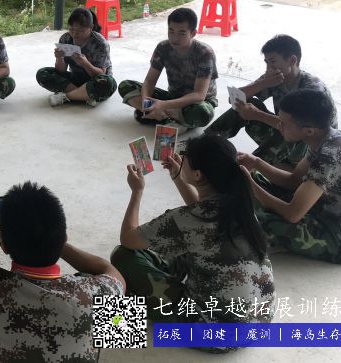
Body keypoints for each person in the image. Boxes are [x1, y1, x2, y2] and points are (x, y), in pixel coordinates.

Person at [0, 181, 125, 362]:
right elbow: (113, 274)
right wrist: (56, 241)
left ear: (4, 246)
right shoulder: (95, 292)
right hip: (80, 308)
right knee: (109, 305)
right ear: (64, 238)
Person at [112, 135, 274, 336]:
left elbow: (128, 238)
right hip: (259, 322)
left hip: (213, 332)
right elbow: (202, 216)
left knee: (123, 255)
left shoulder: (185, 220)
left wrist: (137, 191)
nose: (181, 160)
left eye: (185, 159)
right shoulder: (241, 206)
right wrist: (177, 176)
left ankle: (120, 321)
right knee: (182, 246)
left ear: (198, 175)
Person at [240, 89, 341, 264]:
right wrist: (256, 163)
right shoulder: (324, 138)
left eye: (283, 123)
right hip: (321, 206)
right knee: (252, 180)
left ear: (308, 131)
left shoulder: (331, 156)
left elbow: (292, 214)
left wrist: (250, 184)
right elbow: (294, 181)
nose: (278, 126)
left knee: (248, 222)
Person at [207, 34, 337, 168]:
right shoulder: (274, 77)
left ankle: (247, 168)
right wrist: (263, 83)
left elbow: (298, 129)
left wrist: (257, 114)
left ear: (292, 60)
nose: (268, 67)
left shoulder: (313, 89)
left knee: (286, 132)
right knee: (246, 104)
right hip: (287, 130)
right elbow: (233, 99)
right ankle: (204, 143)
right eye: (266, 62)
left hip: (311, 147)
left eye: (273, 61)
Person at [117, 7, 218, 129]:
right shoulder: (163, 47)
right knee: (125, 86)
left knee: (202, 113)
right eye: (171, 31)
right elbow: (150, 80)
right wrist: (146, 102)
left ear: (193, 33)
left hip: (198, 102)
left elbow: (199, 95)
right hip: (173, 97)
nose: (174, 38)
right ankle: (167, 118)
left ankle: (160, 115)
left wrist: (162, 105)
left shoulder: (204, 53)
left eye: (181, 33)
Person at [36, 7, 116, 108]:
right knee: (42, 73)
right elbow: (61, 70)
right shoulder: (65, 38)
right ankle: (85, 95)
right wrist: (59, 58)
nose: (75, 34)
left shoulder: (100, 44)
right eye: (71, 29)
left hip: (95, 81)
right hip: (75, 78)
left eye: (80, 31)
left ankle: (67, 96)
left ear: (91, 28)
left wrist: (85, 63)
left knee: (108, 83)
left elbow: (101, 74)